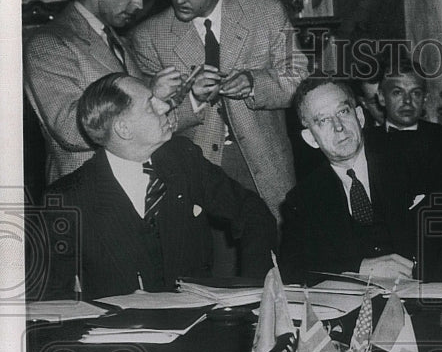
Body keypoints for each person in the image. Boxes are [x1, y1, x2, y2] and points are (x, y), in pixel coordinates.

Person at [39, 74, 276, 301]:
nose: (165, 107)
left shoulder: (183, 159)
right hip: (124, 338)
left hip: (201, 328)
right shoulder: (69, 199)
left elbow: (252, 212)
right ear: (124, 129)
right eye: (150, 106)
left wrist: (253, 288)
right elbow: (51, 299)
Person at [131, 0, 308, 219]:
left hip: (267, 171)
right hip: (194, 176)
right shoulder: (149, 36)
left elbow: (299, 79)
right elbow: (144, 117)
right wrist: (192, 98)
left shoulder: (268, 13)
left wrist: (255, 83)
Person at [279, 77, 442, 285]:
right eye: (322, 121)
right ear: (310, 138)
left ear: (359, 116)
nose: (338, 127)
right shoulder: (304, 198)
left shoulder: (414, 150)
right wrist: (359, 268)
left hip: (433, 299)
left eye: (343, 112)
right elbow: (291, 268)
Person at [24, 0, 183, 182]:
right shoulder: (48, 44)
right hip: (88, 197)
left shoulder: (115, 39)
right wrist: (152, 92)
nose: (139, 3)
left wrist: (188, 96)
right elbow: (70, 129)